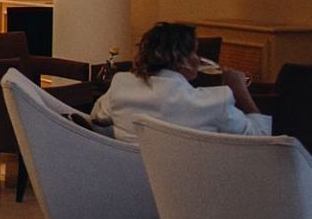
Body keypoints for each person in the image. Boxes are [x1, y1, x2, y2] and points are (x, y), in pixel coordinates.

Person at [91, 22, 271, 143]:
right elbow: (262, 140)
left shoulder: (121, 85)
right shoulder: (214, 102)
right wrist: (239, 91)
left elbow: (97, 118)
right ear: (179, 59)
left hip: (128, 180)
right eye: (194, 52)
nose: (198, 59)